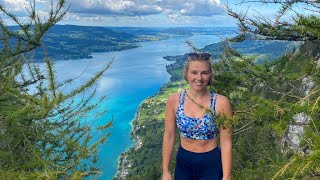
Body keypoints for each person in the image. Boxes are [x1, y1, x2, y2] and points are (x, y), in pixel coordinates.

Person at [162, 52, 233, 180]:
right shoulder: (174, 100)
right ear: (186, 74)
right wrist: (166, 171)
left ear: (210, 74)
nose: (199, 78)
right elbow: (169, 135)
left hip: (211, 164)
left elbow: (226, 141)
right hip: (184, 163)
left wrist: (227, 176)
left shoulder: (221, 103)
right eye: (194, 72)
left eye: (204, 73)